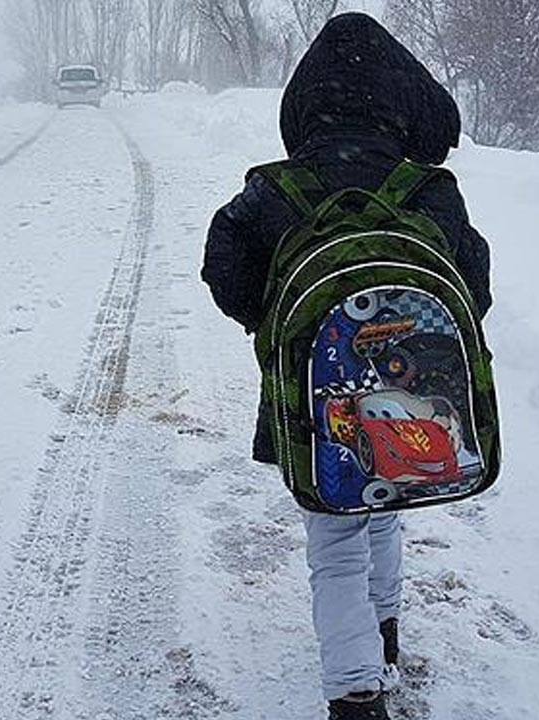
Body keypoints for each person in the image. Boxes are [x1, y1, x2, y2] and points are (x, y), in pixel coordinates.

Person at [199, 13, 493, 720]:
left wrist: (274, 327)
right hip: (411, 395)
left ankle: (354, 691)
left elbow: (223, 268)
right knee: (389, 503)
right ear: (398, 100)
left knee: (333, 535)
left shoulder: (274, 190)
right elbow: (473, 288)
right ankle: (386, 635)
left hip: (314, 401)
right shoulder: (429, 190)